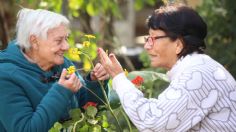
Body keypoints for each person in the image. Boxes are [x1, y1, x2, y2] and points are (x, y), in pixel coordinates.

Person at [98, 4, 236, 132]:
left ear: (178, 45)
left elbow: (153, 122)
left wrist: (119, 78)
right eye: (148, 38)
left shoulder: (197, 74)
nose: (147, 46)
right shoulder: (198, 66)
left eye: (154, 38)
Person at [0, 8, 110, 132]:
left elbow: (87, 109)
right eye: (59, 40)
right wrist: (61, 92)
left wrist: (95, 82)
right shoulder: (5, 76)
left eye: (66, 38)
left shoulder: (62, 64)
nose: (66, 46)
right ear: (34, 41)